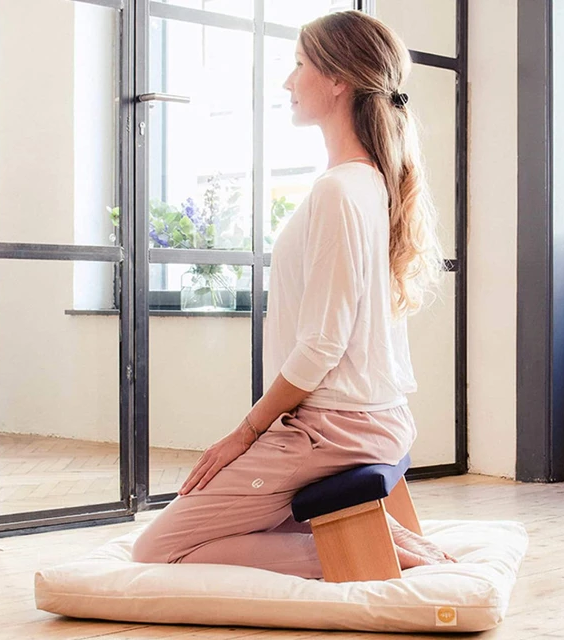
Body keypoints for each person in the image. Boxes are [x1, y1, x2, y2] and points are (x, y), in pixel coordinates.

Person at [132, 9, 455, 577]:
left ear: (338, 81)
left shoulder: (339, 191)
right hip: (367, 418)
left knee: (157, 548)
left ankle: (375, 554)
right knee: (227, 519)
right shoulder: (370, 182)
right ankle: (377, 541)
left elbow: (321, 344)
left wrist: (244, 433)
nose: (287, 81)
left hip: (334, 428)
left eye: (299, 65)